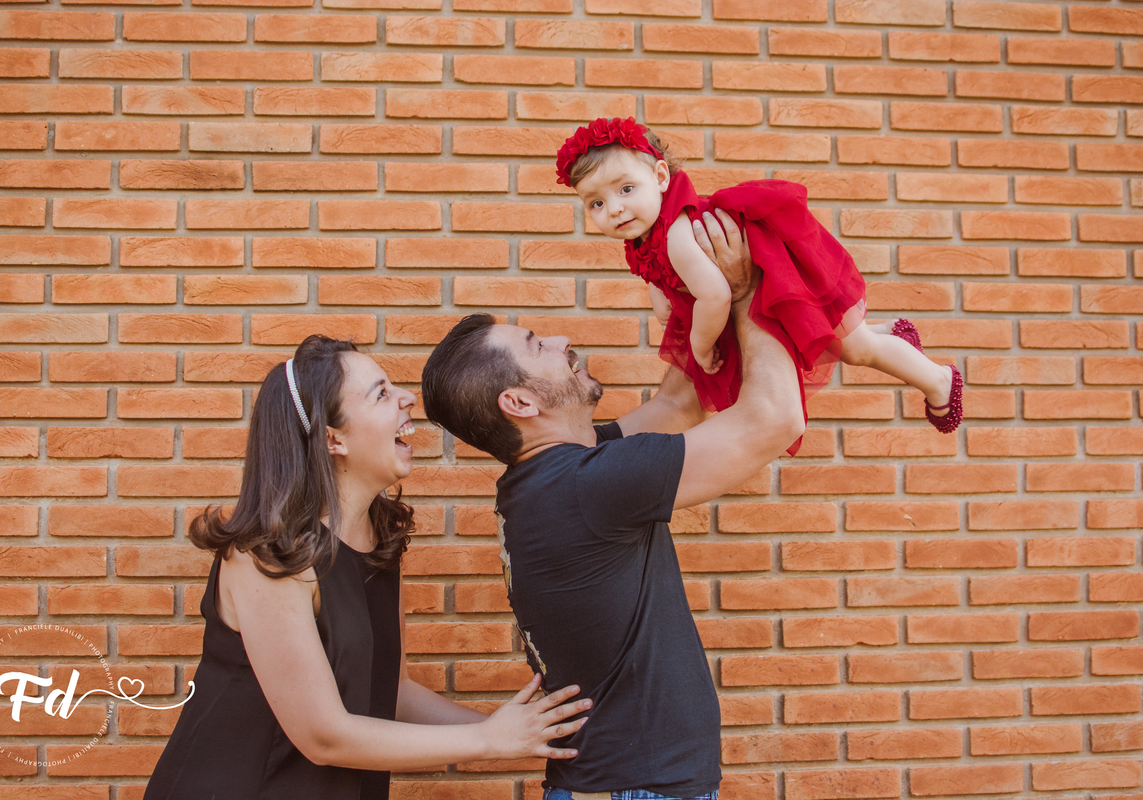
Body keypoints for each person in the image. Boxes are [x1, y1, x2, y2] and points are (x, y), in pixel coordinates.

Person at [420, 214, 805, 800]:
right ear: (519, 401)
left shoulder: (547, 478)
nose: (561, 340)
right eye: (536, 346)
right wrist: (752, 290)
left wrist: (703, 291)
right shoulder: (588, 484)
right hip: (637, 790)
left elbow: (678, 404)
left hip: (615, 787)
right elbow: (775, 419)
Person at [143, 335, 591, 800]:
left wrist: (525, 734)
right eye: (380, 393)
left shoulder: (381, 540)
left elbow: (389, 692)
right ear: (333, 438)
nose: (406, 398)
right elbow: (324, 736)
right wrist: (489, 741)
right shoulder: (264, 555)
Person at [556, 116, 964, 451]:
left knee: (858, 349)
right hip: (768, 278)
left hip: (781, 270)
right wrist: (659, 291)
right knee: (836, 339)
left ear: (661, 176)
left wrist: (700, 346)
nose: (615, 208)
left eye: (626, 189)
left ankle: (937, 379)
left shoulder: (678, 235)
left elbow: (715, 295)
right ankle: (892, 334)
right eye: (596, 203)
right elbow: (658, 269)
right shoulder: (645, 233)